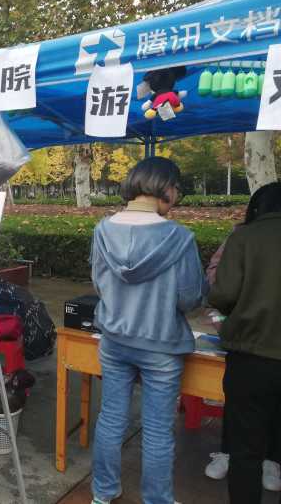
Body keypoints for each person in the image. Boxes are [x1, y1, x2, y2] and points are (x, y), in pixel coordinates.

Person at [90, 157, 207, 504]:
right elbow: (189, 298)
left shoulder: (103, 230)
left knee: (111, 419)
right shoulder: (179, 238)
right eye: (177, 189)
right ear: (165, 188)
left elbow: (99, 285)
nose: (177, 196)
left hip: (113, 340)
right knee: (156, 430)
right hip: (161, 345)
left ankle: (103, 493)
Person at [202, 186, 281, 491]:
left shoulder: (245, 237)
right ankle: (273, 463)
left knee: (244, 446)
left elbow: (222, 293)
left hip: (250, 353)